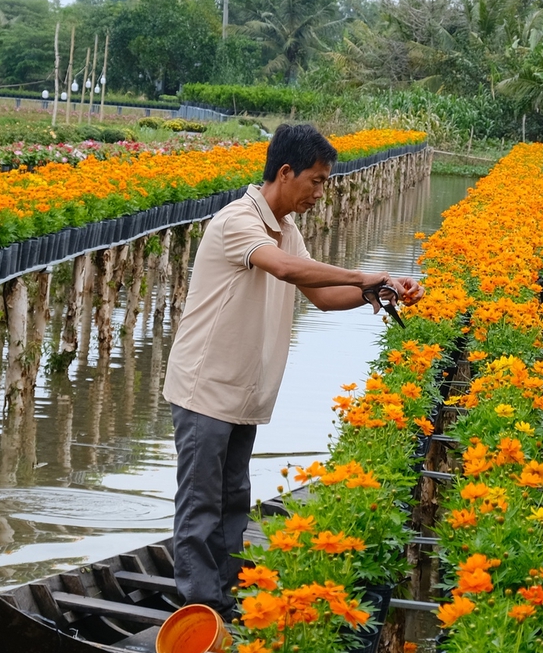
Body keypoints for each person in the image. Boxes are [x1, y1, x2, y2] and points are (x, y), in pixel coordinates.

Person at [162, 123, 422, 613]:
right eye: (317, 180)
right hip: (205, 389)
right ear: (286, 172)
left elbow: (322, 297)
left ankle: (231, 596)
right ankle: (200, 609)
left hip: (243, 392)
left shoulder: (286, 230)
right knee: (200, 506)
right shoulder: (238, 220)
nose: (320, 192)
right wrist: (363, 274)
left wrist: (376, 291)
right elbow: (283, 269)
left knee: (234, 498)